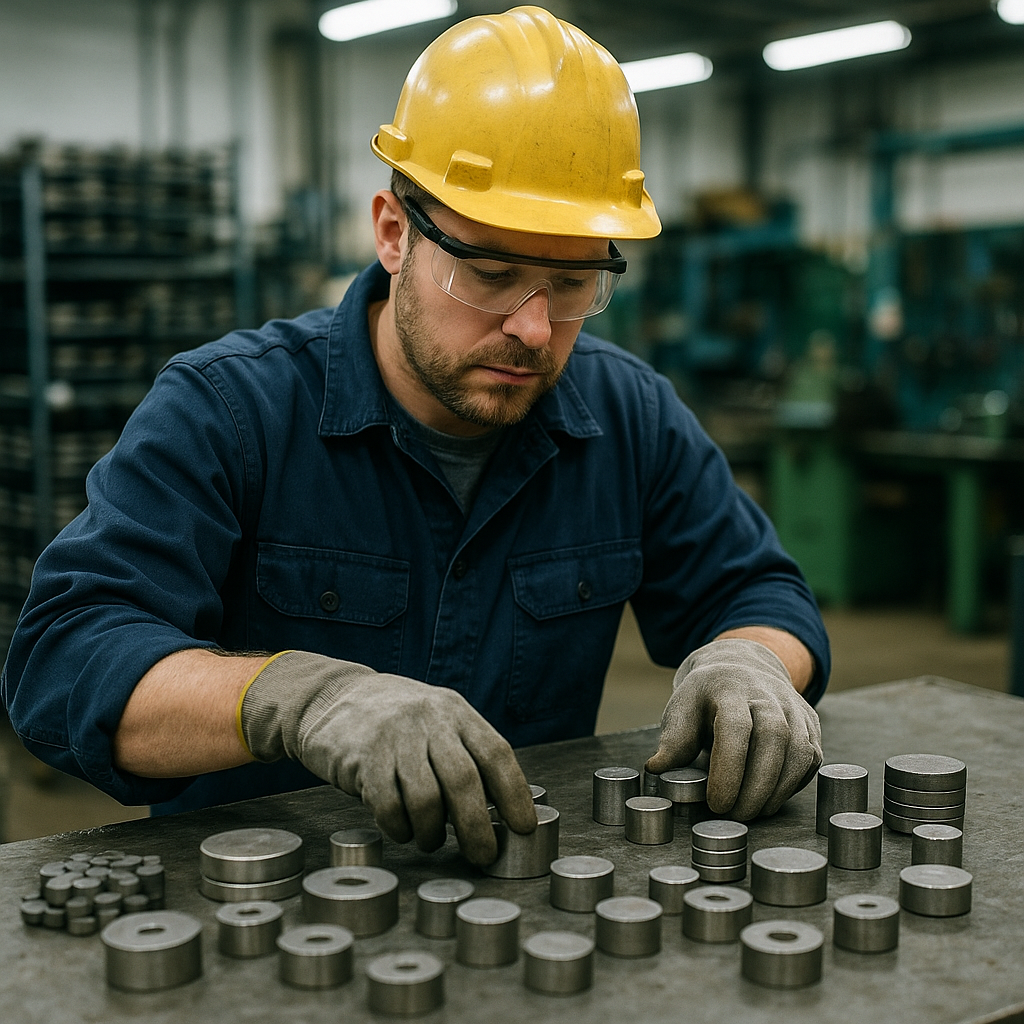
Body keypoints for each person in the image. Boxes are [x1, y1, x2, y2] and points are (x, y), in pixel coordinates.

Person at [1, 6, 829, 866]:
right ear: (394, 233)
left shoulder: (629, 414)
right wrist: (296, 698)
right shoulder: (230, 411)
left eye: (574, 283)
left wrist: (752, 664)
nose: (536, 329)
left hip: (532, 910)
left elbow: (761, 594)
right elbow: (65, 662)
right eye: (492, 274)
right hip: (265, 909)